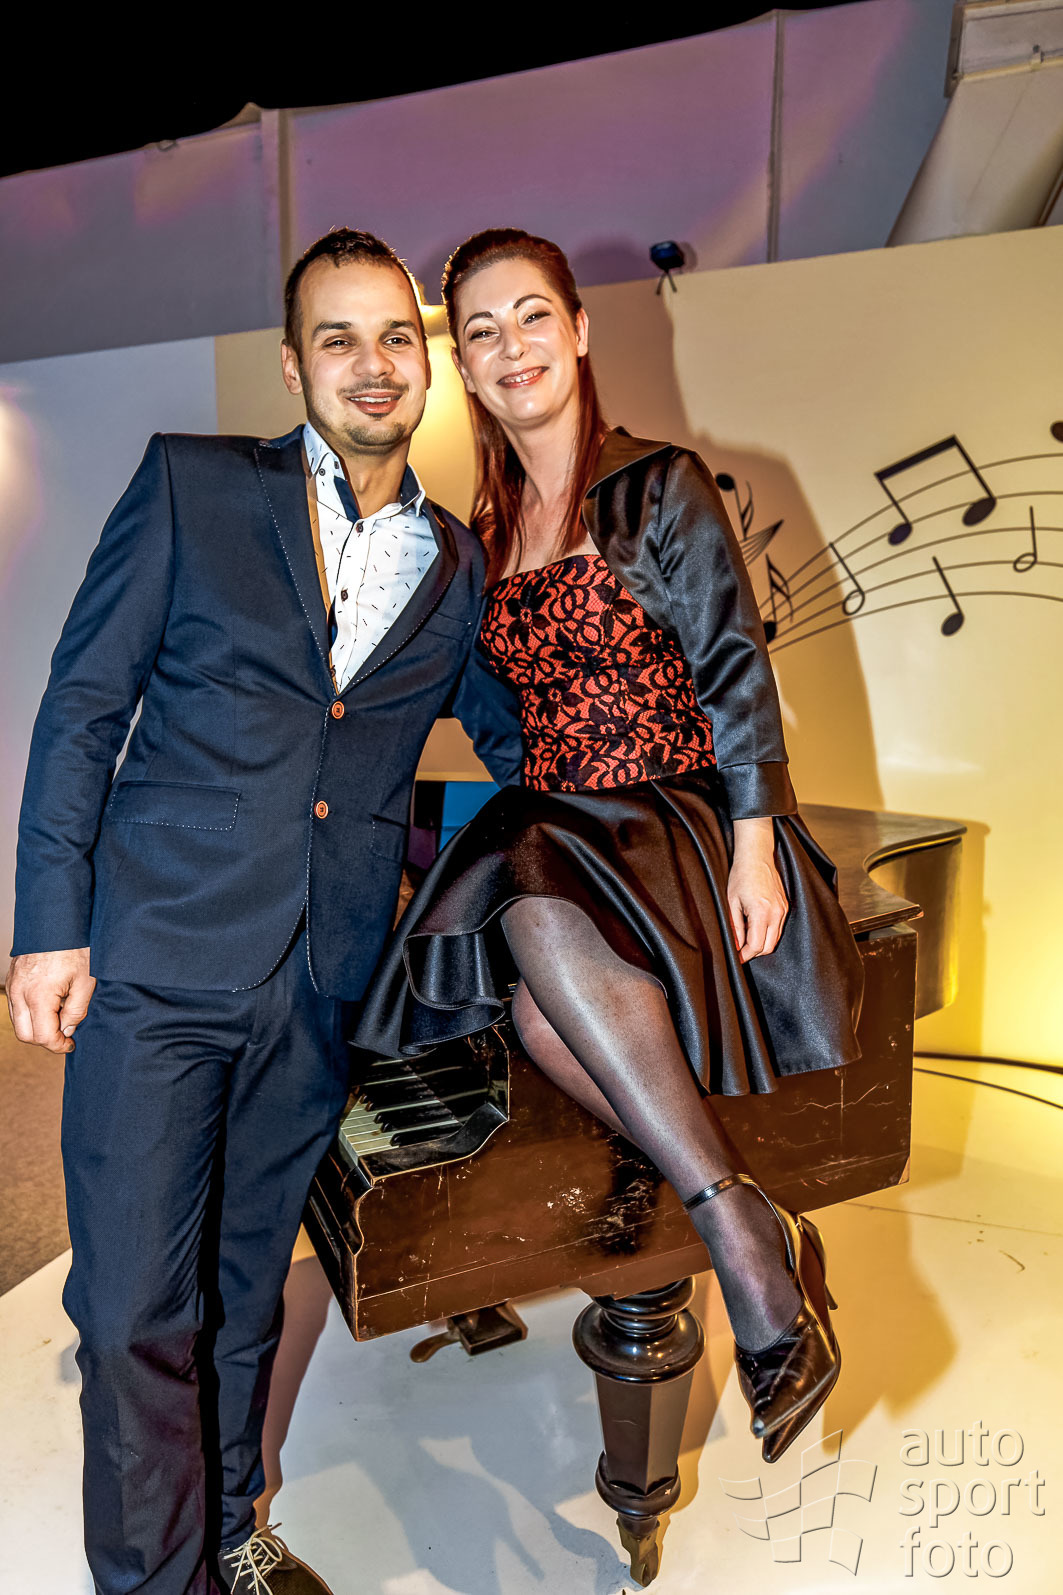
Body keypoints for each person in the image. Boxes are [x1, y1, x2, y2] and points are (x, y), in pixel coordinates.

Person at [5, 228, 523, 1595]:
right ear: (294, 364)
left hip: (321, 977)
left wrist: (694, 776)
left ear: (426, 367)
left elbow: (518, 737)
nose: (372, 364)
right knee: (132, 1309)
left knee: (246, 1285)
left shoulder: (456, 563)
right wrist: (49, 922)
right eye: (338, 339)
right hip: (159, 955)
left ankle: (231, 1522)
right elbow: (82, 704)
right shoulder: (192, 484)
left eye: (396, 337)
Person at [358, 228, 865, 1464]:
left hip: (673, 817)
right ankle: (748, 1216)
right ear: (466, 368)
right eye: (481, 331)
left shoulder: (658, 483)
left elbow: (732, 662)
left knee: (526, 887)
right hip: (561, 827)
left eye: (531, 315)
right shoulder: (482, 535)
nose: (510, 346)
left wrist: (756, 839)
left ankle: (739, 1234)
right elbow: (492, 719)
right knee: (537, 1003)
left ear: (579, 330)